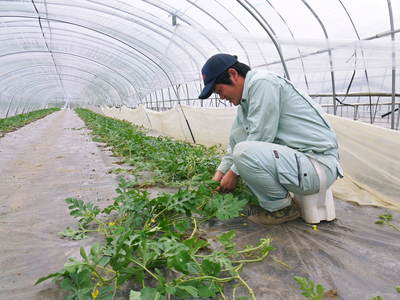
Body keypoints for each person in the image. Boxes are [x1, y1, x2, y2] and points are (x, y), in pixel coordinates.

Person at [198, 53, 343, 225]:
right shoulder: (245, 103)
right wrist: (218, 176)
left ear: (233, 75)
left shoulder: (263, 83)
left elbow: (261, 136)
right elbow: (235, 142)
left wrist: (232, 174)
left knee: (244, 152)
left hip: (317, 166)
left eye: (219, 91)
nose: (221, 97)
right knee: (241, 148)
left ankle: (282, 209)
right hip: (302, 165)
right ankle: (279, 204)